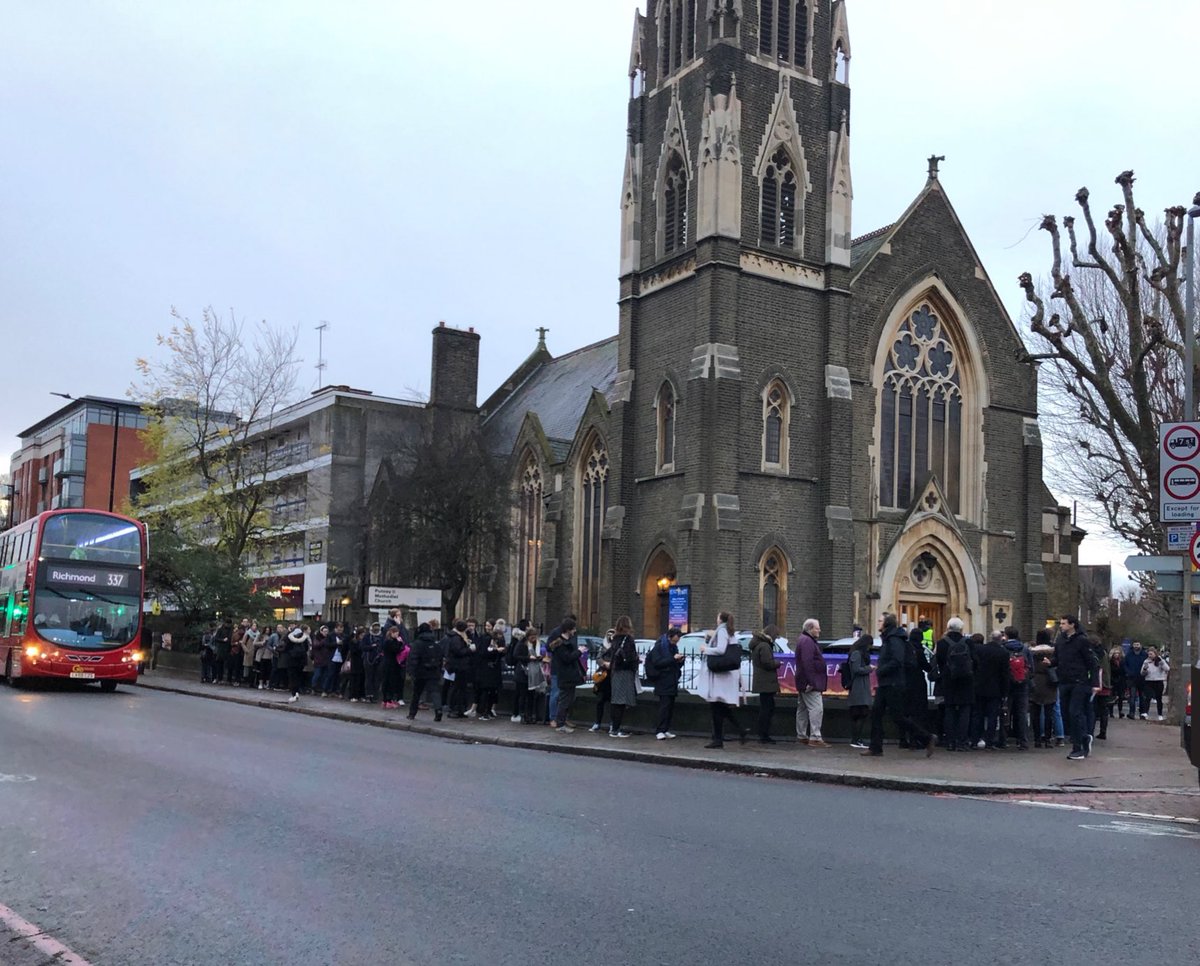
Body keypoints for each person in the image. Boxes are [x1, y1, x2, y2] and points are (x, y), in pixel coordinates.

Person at [865, 613, 935, 757]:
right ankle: (875, 747)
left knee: (898, 717)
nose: (878, 622)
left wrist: (881, 670)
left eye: (880, 620)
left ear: (886, 623)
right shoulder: (888, 638)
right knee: (876, 713)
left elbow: (897, 661)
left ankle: (927, 737)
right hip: (885, 683)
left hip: (893, 683)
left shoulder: (894, 640)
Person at [1047, 615, 1099, 761]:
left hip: (1079, 682)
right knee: (1066, 714)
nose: (1061, 626)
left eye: (1064, 623)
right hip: (1064, 681)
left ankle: (1078, 747)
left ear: (1072, 625)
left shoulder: (1082, 641)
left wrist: (1094, 683)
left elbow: (1092, 663)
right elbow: (1058, 658)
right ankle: (1083, 738)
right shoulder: (1060, 640)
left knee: (1075, 712)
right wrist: (1050, 663)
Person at [698, 611, 747, 749]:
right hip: (723, 675)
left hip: (721, 675)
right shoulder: (727, 631)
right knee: (720, 707)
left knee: (716, 706)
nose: (716, 618)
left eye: (717, 616)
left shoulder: (722, 631)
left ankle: (719, 739)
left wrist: (705, 649)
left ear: (720, 619)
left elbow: (720, 650)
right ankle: (738, 730)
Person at [935, 618, 975, 752]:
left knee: (949, 710)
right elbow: (975, 660)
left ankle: (950, 741)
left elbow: (938, 662)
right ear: (961, 629)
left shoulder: (941, 643)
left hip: (948, 681)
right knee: (964, 711)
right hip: (966, 681)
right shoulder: (969, 642)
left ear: (948, 627)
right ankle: (962, 742)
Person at [793, 618, 828, 748]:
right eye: (817, 628)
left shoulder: (803, 639)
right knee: (816, 708)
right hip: (810, 682)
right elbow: (807, 663)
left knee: (802, 708)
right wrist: (811, 681)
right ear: (810, 629)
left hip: (803, 680)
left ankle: (801, 735)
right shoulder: (808, 641)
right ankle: (815, 737)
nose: (819, 630)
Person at [972, 631, 1010, 750]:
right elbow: (1005, 674)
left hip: (979, 687)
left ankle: (975, 740)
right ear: (1001, 639)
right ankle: (989, 741)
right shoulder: (1003, 652)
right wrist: (1005, 692)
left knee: (977, 715)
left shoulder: (980, 650)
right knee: (993, 716)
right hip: (995, 689)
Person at [645, 626, 684, 739]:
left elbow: (673, 663)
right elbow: (658, 662)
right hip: (662, 680)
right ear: (669, 637)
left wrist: (680, 661)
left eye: (677, 640)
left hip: (672, 679)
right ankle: (660, 730)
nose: (675, 642)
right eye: (674, 640)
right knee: (664, 706)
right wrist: (673, 659)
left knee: (670, 706)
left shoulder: (673, 647)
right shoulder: (659, 647)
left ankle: (665, 728)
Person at [607, 617, 639, 738]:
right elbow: (631, 657)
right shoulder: (628, 640)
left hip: (615, 672)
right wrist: (636, 660)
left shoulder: (614, 639)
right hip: (625, 672)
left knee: (616, 701)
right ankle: (616, 729)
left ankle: (613, 727)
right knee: (621, 702)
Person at [549, 619, 583, 732]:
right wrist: (579, 652)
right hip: (565, 675)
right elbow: (567, 658)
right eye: (573, 628)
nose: (575, 631)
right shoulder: (560, 643)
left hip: (570, 675)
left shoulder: (568, 641)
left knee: (568, 699)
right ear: (568, 630)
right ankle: (560, 724)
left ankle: (562, 722)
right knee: (564, 700)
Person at [900, 627, 931, 748]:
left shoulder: (904, 647)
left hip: (904, 683)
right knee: (917, 713)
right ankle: (915, 740)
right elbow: (926, 666)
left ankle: (903, 739)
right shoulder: (918, 650)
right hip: (917, 684)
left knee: (904, 712)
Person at [750, 626, 781, 744]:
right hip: (766, 682)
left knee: (766, 707)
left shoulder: (759, 644)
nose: (776, 638)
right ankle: (764, 735)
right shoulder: (764, 646)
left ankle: (763, 734)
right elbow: (767, 663)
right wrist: (778, 663)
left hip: (762, 682)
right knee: (767, 709)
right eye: (776, 636)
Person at [1002, 626, 1031, 750]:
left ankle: (1003, 740)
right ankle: (1023, 741)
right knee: (1021, 713)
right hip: (1022, 685)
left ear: (1006, 635)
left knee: (1004, 712)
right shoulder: (1025, 649)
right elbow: (1031, 668)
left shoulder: (1003, 648)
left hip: (1007, 685)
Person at [406, 622, 443, 721]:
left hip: (420, 672)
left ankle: (412, 713)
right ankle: (438, 710)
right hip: (433, 671)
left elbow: (413, 659)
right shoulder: (435, 644)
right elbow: (440, 658)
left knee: (416, 693)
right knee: (435, 692)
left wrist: (411, 671)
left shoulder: (417, 644)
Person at [1029, 630, 1059, 748]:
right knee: (1049, 713)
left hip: (1035, 681)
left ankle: (1037, 739)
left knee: (1035, 714)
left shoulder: (1031, 652)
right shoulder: (1053, 652)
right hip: (1050, 682)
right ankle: (1047, 739)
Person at [443, 620, 475, 718]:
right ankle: (454, 709)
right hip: (458, 666)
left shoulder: (455, 637)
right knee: (457, 688)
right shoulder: (456, 638)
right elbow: (459, 651)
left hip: (460, 666)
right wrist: (470, 649)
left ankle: (459, 709)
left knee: (460, 688)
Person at [847, 632, 873, 749]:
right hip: (858, 687)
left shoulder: (856, 653)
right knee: (860, 713)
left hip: (861, 687)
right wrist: (869, 668)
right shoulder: (856, 654)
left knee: (860, 713)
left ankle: (857, 739)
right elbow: (856, 669)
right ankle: (856, 739)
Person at [475, 627, 505, 720]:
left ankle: (488, 711)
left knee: (492, 691)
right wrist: (496, 650)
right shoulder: (487, 640)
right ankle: (484, 712)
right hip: (487, 670)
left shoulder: (495, 641)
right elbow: (484, 652)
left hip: (493, 669)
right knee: (486, 691)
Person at [590, 629, 616, 733]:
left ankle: (612, 723)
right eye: (609, 634)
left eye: (612, 634)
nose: (610, 636)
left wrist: (611, 664)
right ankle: (597, 722)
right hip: (602, 676)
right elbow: (598, 658)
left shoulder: (616, 646)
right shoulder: (603, 646)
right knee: (600, 700)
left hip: (612, 676)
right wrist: (604, 663)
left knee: (612, 701)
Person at [380, 625, 407, 709]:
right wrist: (400, 643)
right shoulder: (389, 641)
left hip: (388, 663)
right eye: (395, 633)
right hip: (390, 663)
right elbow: (396, 650)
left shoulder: (387, 641)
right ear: (391, 633)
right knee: (389, 682)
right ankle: (388, 700)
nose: (397, 635)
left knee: (387, 681)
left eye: (397, 634)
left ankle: (385, 700)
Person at [509, 626, 532, 723]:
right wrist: (528, 658)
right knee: (520, 694)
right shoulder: (521, 643)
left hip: (530, 672)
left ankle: (526, 715)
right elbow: (516, 655)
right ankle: (518, 714)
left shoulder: (533, 644)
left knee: (527, 695)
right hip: (521, 672)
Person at [1140, 647, 1170, 720]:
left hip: (1158, 681)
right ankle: (1145, 713)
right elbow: (1142, 673)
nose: (1150, 656)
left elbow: (1167, 669)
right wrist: (1145, 669)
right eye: (1149, 654)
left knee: (1159, 698)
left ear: (1155, 654)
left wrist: (1161, 662)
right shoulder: (1146, 661)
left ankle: (1160, 714)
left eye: (1151, 654)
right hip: (1149, 681)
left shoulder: (1160, 660)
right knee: (1147, 697)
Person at [284, 625, 310, 703]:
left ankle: (293, 694)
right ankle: (297, 692)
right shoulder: (304, 638)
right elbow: (306, 648)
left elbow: (285, 647)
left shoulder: (289, 637)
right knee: (299, 676)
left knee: (292, 678)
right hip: (301, 661)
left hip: (292, 660)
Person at [359, 623, 384, 704]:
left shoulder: (382, 637)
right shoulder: (367, 636)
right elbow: (362, 647)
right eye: (374, 627)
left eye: (377, 626)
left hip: (379, 660)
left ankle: (375, 696)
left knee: (377, 678)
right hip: (368, 659)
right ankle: (368, 695)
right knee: (369, 678)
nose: (376, 628)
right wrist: (371, 646)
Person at [1124, 640, 1149, 719]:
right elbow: (1125, 665)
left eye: (1138, 644)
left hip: (1142, 678)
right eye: (1135, 644)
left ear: (1140, 645)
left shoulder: (1145, 654)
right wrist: (1128, 672)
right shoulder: (1128, 655)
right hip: (1132, 679)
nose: (1136, 646)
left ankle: (1142, 713)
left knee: (1142, 697)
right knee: (1132, 697)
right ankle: (1131, 713)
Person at [255, 624, 278, 691]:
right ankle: (260, 683)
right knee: (262, 670)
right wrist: (262, 643)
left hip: (269, 654)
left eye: (268, 630)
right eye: (266, 630)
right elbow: (255, 643)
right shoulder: (260, 635)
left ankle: (267, 683)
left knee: (268, 670)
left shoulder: (272, 636)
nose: (267, 631)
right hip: (262, 655)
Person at [1109, 646, 1129, 719]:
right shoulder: (1110, 662)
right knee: (1112, 697)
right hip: (1113, 681)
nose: (1116, 655)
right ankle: (1111, 712)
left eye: (1118, 653)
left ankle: (1120, 711)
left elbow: (1124, 670)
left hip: (1121, 681)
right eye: (1115, 653)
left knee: (1121, 697)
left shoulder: (1122, 661)